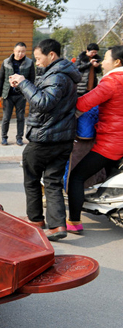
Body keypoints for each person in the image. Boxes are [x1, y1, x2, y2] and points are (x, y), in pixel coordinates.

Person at [9, 39, 81, 241]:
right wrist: (23, 85)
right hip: (62, 138)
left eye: (39, 58)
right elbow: (42, 96)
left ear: (52, 55)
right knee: (52, 181)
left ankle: (36, 220)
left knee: (32, 179)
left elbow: (43, 103)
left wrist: (24, 82)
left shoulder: (58, 76)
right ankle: (57, 225)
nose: (37, 62)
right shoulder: (62, 74)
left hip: (44, 138)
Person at [67, 45, 123, 234]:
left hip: (111, 143)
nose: (102, 61)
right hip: (118, 142)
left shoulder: (112, 82)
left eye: (106, 58)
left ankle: (73, 222)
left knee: (77, 177)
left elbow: (84, 103)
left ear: (117, 62)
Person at [0, 42, 35, 146]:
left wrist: (31, 95)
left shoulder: (29, 63)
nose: (20, 53)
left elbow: (32, 80)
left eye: (23, 51)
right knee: (6, 118)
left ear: (25, 52)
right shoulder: (6, 62)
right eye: (18, 51)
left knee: (20, 117)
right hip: (8, 95)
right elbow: (1, 79)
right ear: (14, 51)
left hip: (21, 95)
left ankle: (19, 138)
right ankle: (4, 137)